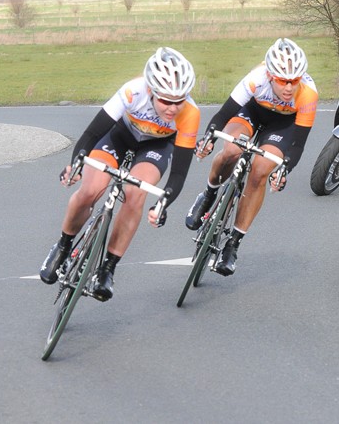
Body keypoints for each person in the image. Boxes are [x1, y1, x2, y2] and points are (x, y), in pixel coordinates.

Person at [39, 47, 200, 301]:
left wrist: (164, 202)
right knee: (91, 190)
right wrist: (76, 164)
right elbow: (91, 134)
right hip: (119, 136)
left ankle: (107, 269)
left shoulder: (190, 114)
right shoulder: (133, 91)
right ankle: (63, 245)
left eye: (179, 100)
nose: (172, 108)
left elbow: (179, 172)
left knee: (135, 194)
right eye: (166, 100)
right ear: (151, 91)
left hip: (155, 147)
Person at [184, 38, 318, 276]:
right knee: (231, 151)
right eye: (282, 80)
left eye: (294, 81)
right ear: (270, 75)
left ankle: (233, 244)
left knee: (260, 172)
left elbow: (298, 145)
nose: (289, 87)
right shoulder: (256, 79)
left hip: (281, 126)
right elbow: (223, 115)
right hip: (251, 113)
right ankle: (208, 195)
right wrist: (209, 139)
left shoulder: (308, 94)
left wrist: (284, 169)